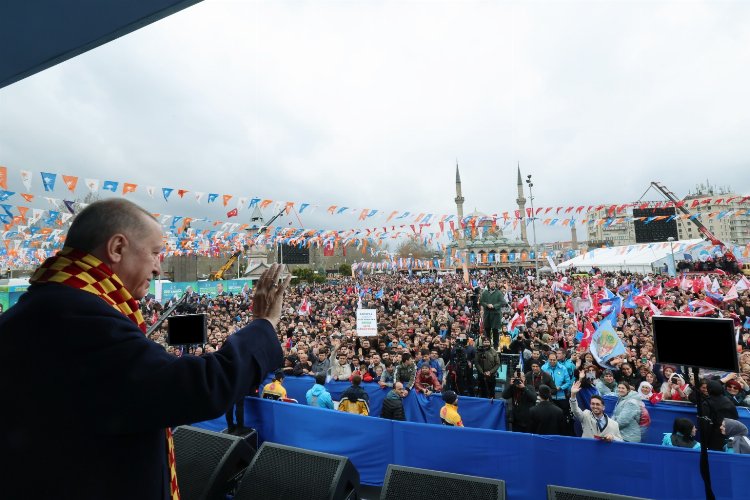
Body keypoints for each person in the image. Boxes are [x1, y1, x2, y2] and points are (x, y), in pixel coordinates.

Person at [0, 199, 287, 500]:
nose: (159, 268)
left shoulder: (34, 309)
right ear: (117, 248)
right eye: (154, 253)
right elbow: (199, 388)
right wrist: (264, 324)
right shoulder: (78, 317)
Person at [701, 379, 739, 451]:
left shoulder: (707, 403)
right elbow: (735, 417)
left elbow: (705, 423)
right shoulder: (728, 400)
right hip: (729, 434)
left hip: (713, 435)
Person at [480, 280, 508, 349]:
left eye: (493, 284)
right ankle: (487, 346)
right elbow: (481, 301)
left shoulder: (498, 292)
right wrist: (487, 305)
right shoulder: (485, 292)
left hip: (496, 314)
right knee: (487, 330)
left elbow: (502, 302)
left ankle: (496, 346)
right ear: (488, 284)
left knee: (495, 331)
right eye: (491, 283)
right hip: (487, 314)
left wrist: (494, 306)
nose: (492, 285)